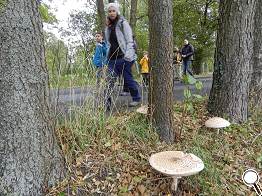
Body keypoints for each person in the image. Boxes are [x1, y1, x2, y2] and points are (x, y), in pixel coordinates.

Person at [104, 3, 141, 109]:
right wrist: (106, 57)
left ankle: (136, 98)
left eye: (113, 11)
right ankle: (107, 103)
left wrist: (128, 55)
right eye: (109, 11)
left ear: (117, 12)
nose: (111, 13)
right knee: (109, 81)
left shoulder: (123, 23)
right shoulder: (108, 27)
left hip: (124, 57)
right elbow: (108, 43)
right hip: (112, 59)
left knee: (128, 78)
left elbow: (129, 40)